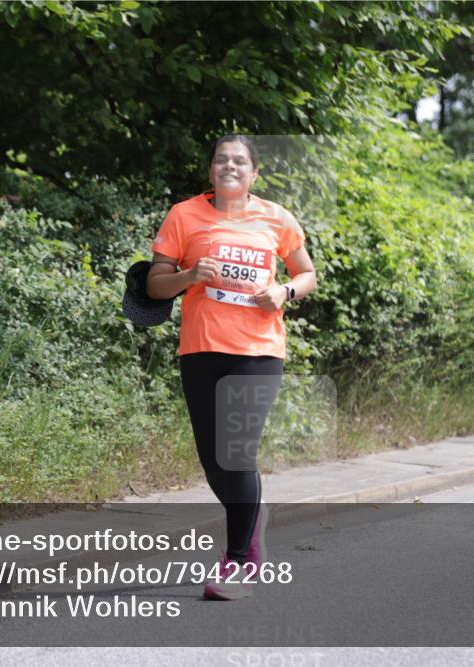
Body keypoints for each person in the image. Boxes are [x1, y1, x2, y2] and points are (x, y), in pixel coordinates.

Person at [146, 134, 317, 600]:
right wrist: (188, 275)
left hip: (259, 351)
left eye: (240, 161)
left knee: (236, 453)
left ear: (254, 173)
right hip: (201, 349)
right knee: (213, 461)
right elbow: (156, 286)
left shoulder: (276, 218)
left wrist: (285, 292)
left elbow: (307, 273)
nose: (229, 166)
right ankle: (252, 516)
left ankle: (238, 563)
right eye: (221, 159)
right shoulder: (185, 215)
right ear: (210, 171)